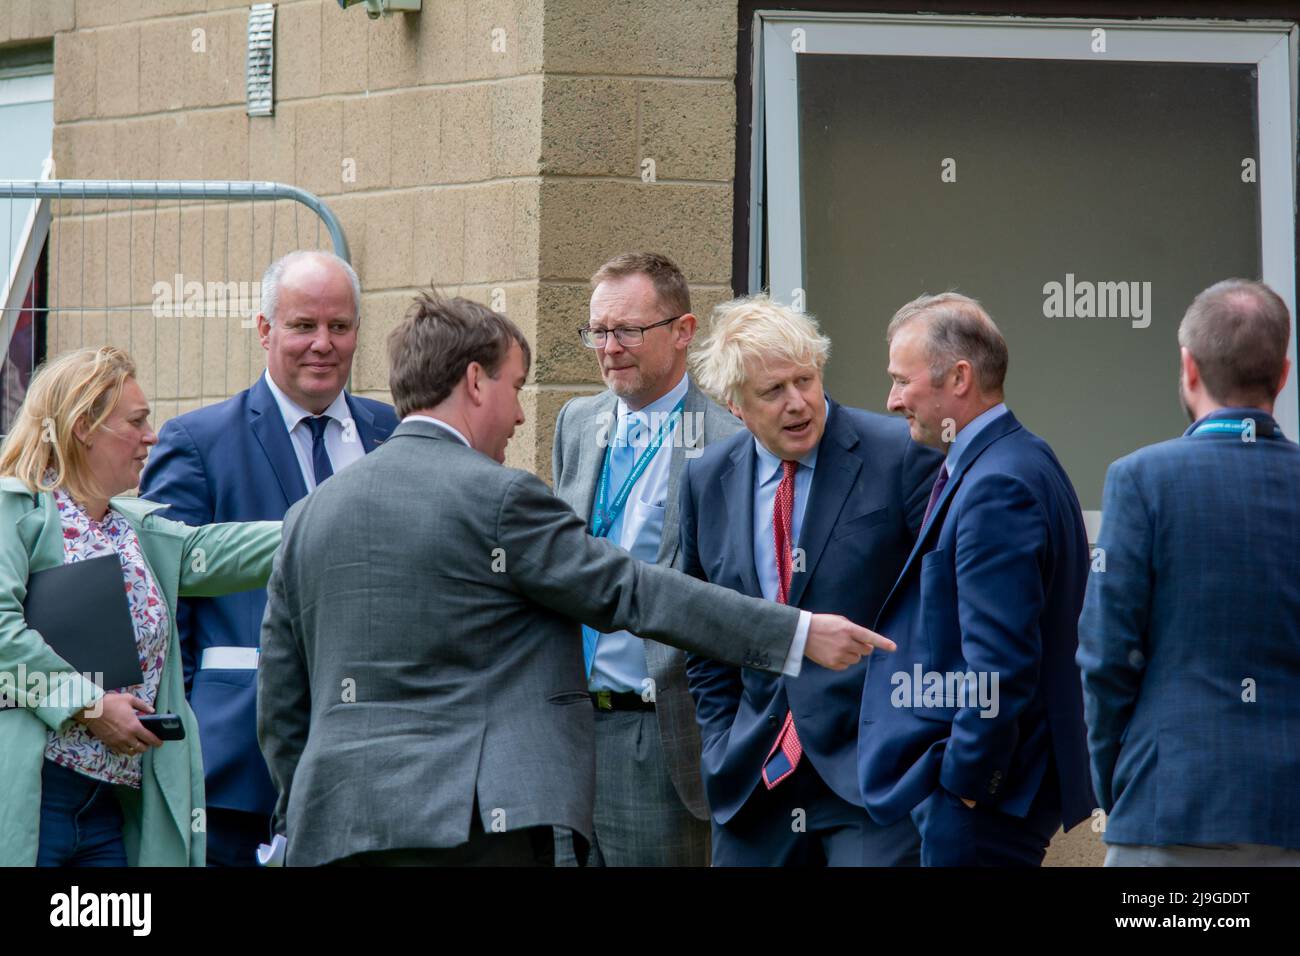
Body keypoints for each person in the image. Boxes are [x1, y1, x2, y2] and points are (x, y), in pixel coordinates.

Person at [257, 291, 888, 867]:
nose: (522, 418)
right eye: (516, 387)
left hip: (330, 830)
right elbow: (631, 591)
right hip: (471, 831)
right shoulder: (501, 499)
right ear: (475, 382)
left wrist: (302, 806)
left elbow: (281, 697)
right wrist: (795, 633)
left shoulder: (309, 515)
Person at [139, 250, 398, 867]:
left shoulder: (393, 433)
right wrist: (187, 723)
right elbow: (162, 598)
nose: (323, 344)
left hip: (380, 760)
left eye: (339, 327)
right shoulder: (200, 443)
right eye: (303, 326)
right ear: (265, 330)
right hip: (241, 770)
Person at [680, 294, 942, 866]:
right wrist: (722, 738)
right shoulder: (706, 480)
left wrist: (920, 738)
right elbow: (700, 627)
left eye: (805, 380)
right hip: (755, 782)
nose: (798, 403)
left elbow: (941, 607)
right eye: (773, 391)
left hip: (871, 778)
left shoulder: (902, 454)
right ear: (735, 405)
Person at [0, 346, 279, 866]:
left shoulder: (132, 528)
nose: (152, 435)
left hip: (110, 806)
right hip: (38, 797)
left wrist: (328, 517)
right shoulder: (14, 510)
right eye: (136, 420)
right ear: (85, 426)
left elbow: (219, 551)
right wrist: (91, 705)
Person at [858, 292, 1093, 866]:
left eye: (900, 380)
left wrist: (966, 783)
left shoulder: (998, 484)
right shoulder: (1017, 456)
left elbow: (1001, 664)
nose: (890, 401)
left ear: (959, 378)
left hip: (984, 804)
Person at [1078, 278, 1300, 866]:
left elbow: (1105, 657)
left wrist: (1118, 784)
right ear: (1282, 374)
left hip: (1167, 806)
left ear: (1188, 367)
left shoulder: (1141, 480)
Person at [550, 252, 741, 866]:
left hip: (659, 740)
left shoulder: (727, 442)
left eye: (627, 330)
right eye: (598, 332)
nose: (609, 347)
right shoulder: (576, 423)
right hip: (566, 729)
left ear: (683, 332)